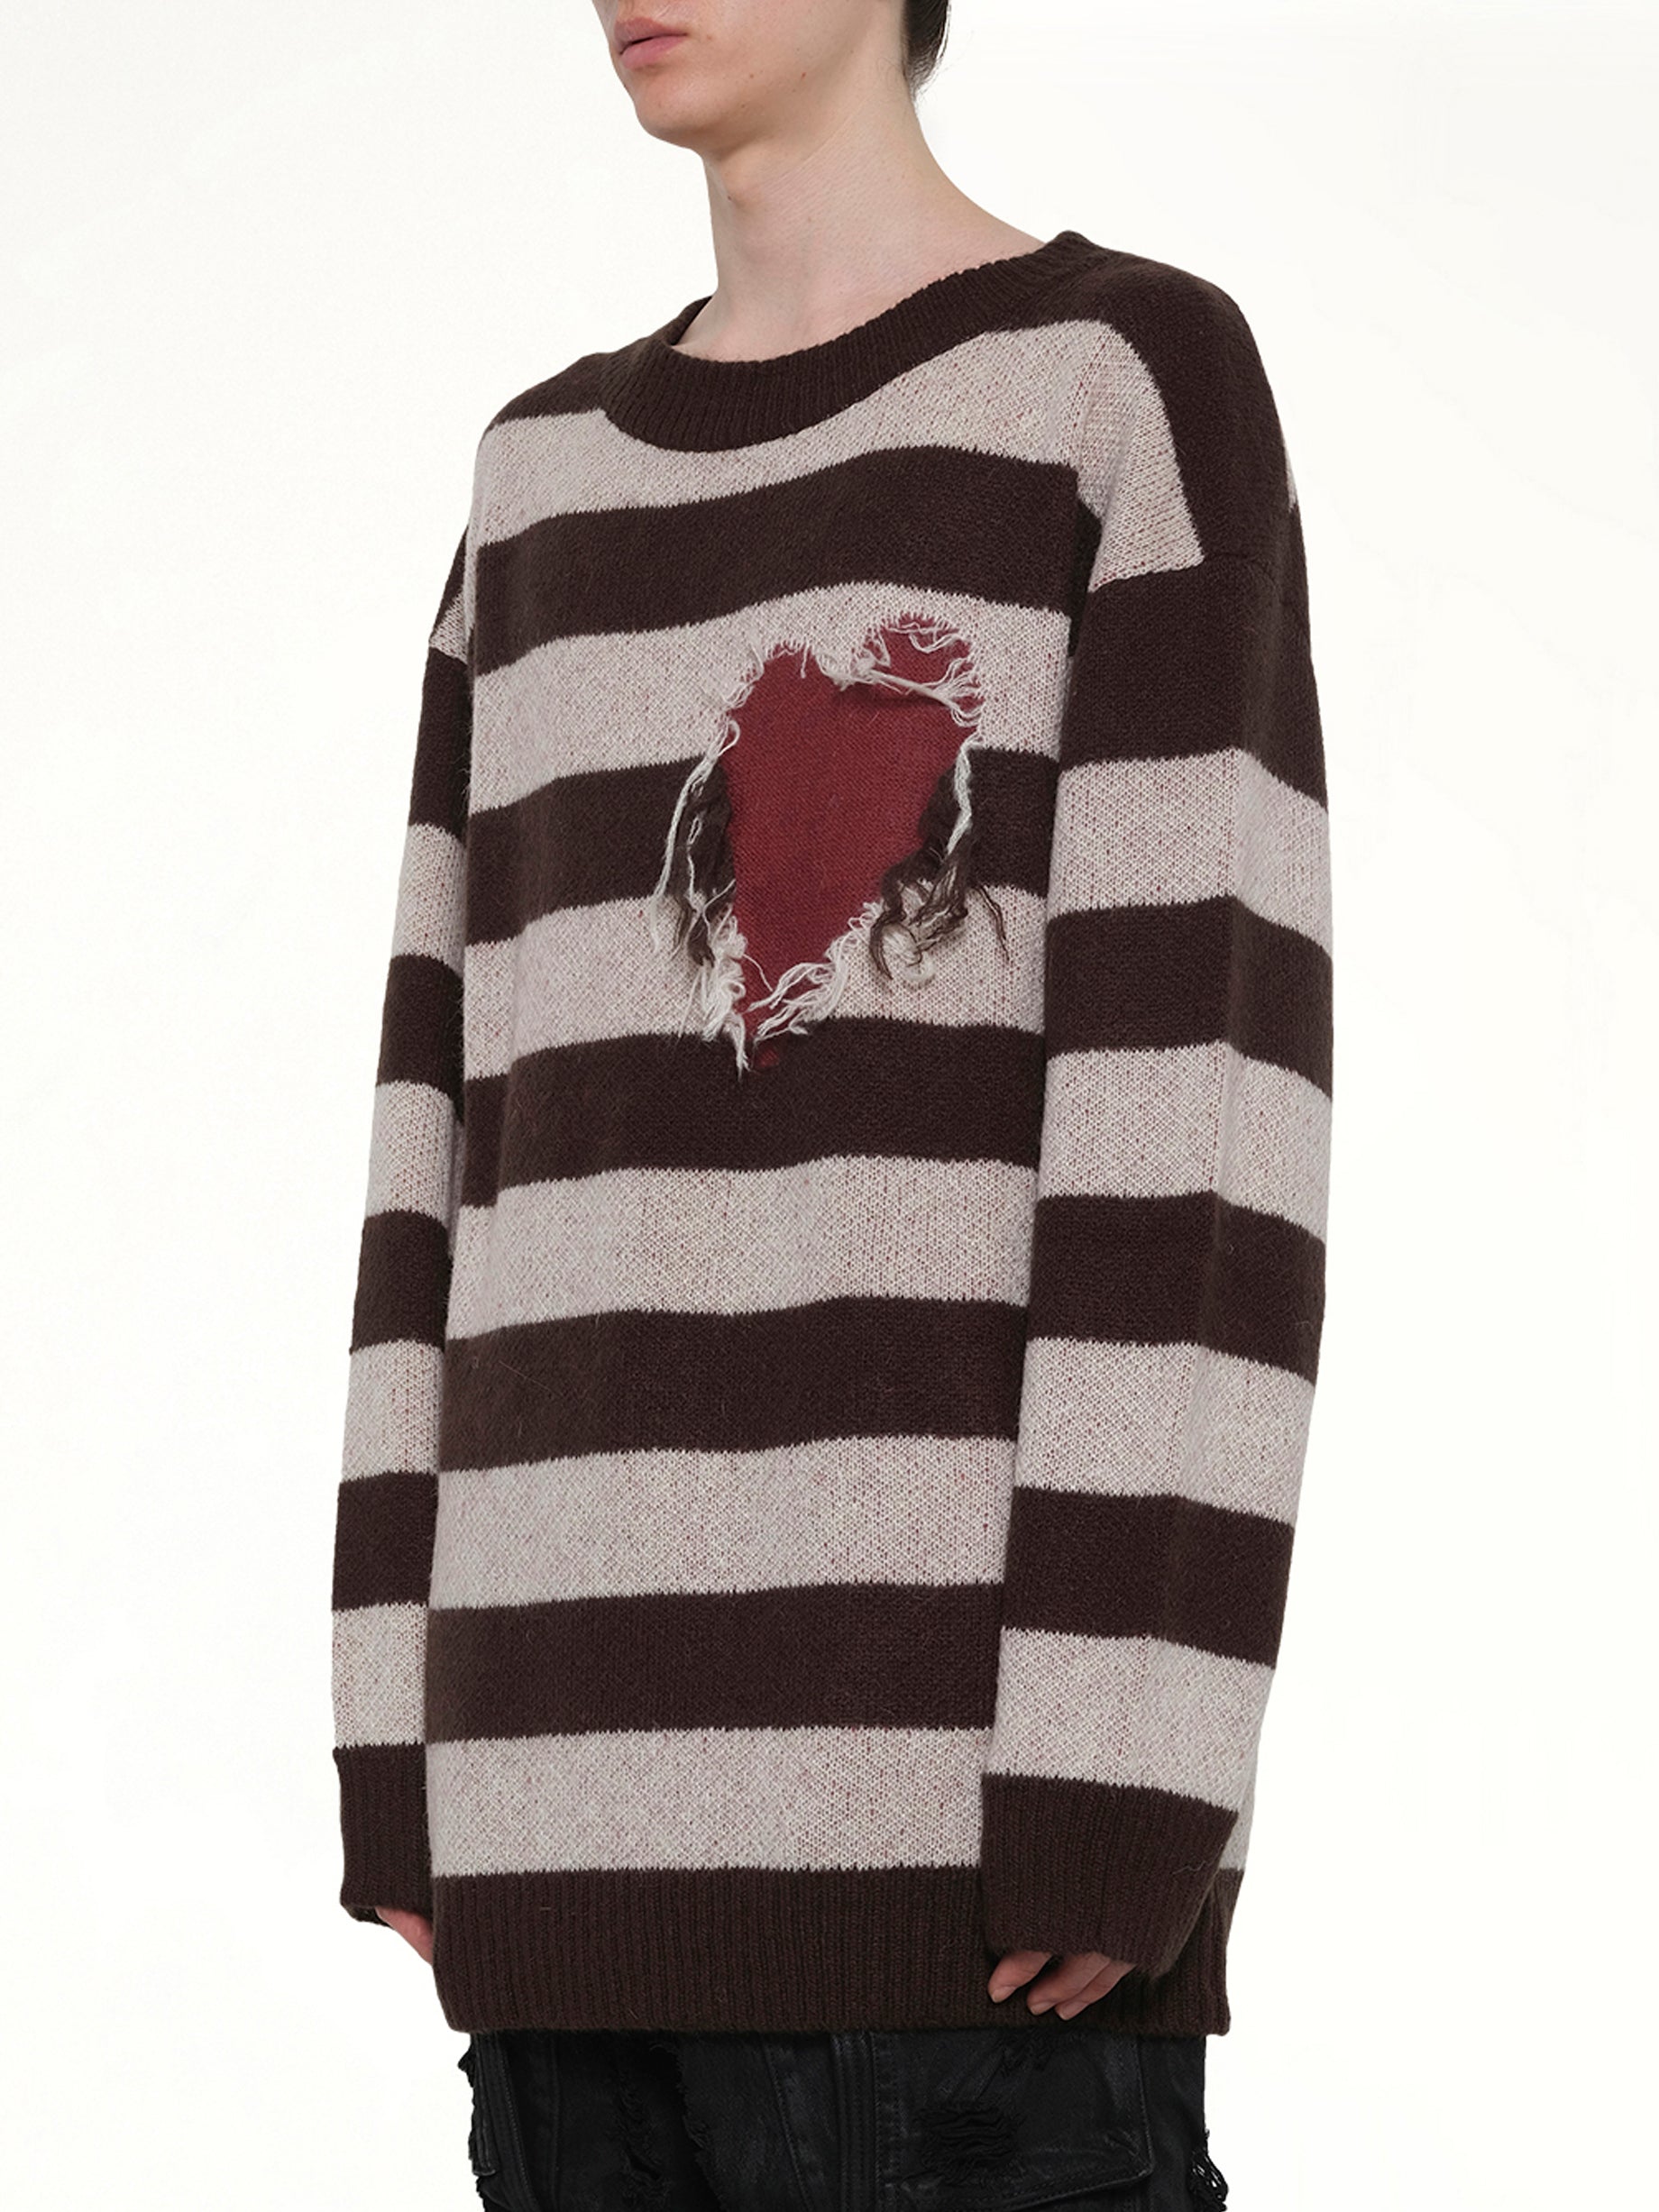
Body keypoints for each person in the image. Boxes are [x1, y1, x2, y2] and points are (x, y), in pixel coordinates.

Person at [328, 2, 1332, 2204]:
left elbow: (1198, 1121)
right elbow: (439, 1129)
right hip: (550, 1876)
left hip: (961, 1901)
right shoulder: (536, 479)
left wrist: (1126, 1763)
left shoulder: (1111, 382)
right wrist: (393, 1738)